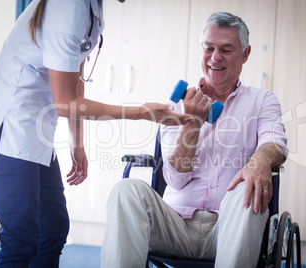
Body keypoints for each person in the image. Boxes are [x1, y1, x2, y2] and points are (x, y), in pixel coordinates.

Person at [0, 0, 193, 267]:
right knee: (21, 238)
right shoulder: (68, 6)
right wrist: (142, 113)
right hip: (10, 127)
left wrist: (78, 143)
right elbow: (65, 101)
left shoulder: (91, 7)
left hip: (33, 129)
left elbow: (74, 82)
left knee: (53, 229)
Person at [101, 11, 288, 267]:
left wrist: (259, 162)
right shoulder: (178, 105)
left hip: (230, 228)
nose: (215, 57)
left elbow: (274, 142)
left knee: (248, 186)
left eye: (226, 49)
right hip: (174, 226)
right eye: (209, 48)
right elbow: (176, 179)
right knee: (126, 190)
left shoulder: (262, 100)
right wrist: (192, 124)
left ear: (245, 53)